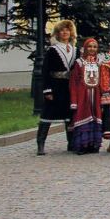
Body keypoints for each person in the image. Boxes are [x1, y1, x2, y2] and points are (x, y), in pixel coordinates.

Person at [37, 19, 76, 155]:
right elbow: (45, 70)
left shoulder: (74, 49)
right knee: (47, 114)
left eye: (67, 30)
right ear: (57, 33)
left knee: (69, 115)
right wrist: (47, 90)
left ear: (71, 33)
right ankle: (40, 144)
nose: (65, 32)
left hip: (69, 86)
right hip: (55, 85)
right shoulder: (53, 50)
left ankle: (71, 143)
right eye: (62, 30)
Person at [68, 37, 104, 155]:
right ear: (85, 48)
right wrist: (74, 100)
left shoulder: (99, 62)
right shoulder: (79, 63)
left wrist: (104, 95)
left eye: (94, 47)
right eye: (89, 46)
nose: (92, 49)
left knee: (95, 117)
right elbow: (73, 81)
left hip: (96, 95)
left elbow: (103, 80)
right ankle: (82, 145)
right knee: (82, 116)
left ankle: (93, 145)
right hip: (82, 95)